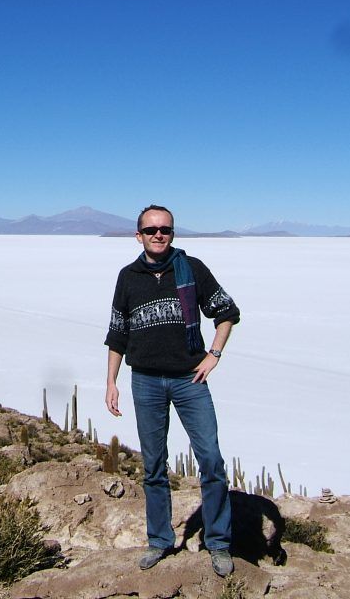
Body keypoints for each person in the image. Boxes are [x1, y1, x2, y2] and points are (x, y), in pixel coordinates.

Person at [104, 204, 240, 577]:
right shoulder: (128, 276)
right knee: (154, 466)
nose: (158, 235)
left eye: (165, 229)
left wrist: (214, 354)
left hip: (189, 380)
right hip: (145, 381)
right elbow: (118, 332)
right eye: (151, 230)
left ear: (173, 233)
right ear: (139, 236)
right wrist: (111, 381)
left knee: (210, 460)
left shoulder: (191, 269)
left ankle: (218, 542)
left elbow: (227, 312)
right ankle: (160, 540)